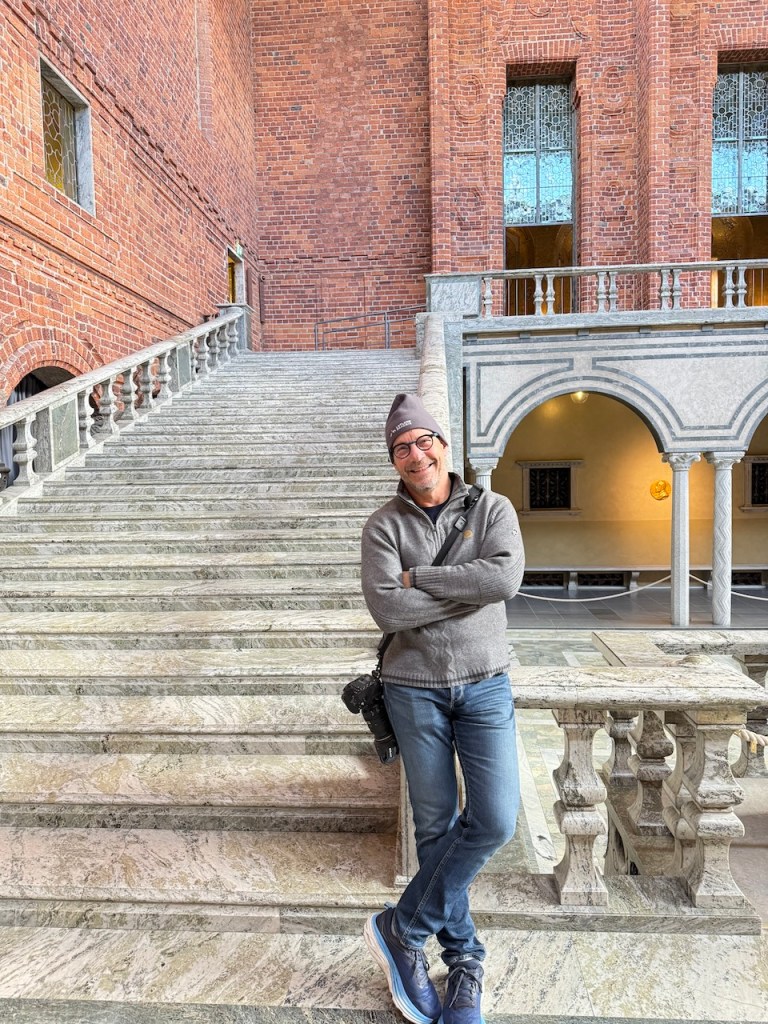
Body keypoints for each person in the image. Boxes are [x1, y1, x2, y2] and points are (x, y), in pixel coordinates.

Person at [360, 393, 525, 1024]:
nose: (415, 453)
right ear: (394, 460)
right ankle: (464, 965)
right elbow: (389, 611)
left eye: (423, 440)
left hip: (484, 684)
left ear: (444, 445)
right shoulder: (383, 526)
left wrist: (421, 577)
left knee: (494, 820)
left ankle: (402, 929)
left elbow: (503, 581)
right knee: (435, 830)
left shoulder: (493, 508)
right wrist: (465, 587)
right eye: (402, 447)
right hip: (413, 688)